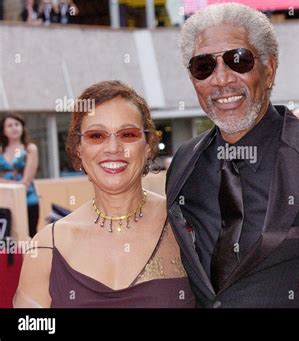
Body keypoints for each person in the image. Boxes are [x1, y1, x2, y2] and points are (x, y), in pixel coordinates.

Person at [166, 3, 299, 308]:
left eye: (238, 60)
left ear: (269, 69)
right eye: (204, 66)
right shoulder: (185, 164)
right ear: (193, 80)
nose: (221, 79)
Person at [14, 80, 195, 308]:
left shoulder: (186, 224)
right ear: (79, 149)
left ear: (148, 145)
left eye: (127, 134)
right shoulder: (46, 247)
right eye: (96, 136)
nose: (112, 148)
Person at [0, 113, 40, 238]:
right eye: (10, 125)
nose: (14, 128)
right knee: (7, 238)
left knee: (29, 236)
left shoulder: (30, 148)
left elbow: (26, 182)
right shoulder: (1, 150)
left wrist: (4, 182)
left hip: (28, 200)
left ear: (22, 127)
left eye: (17, 124)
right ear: (4, 130)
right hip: (5, 201)